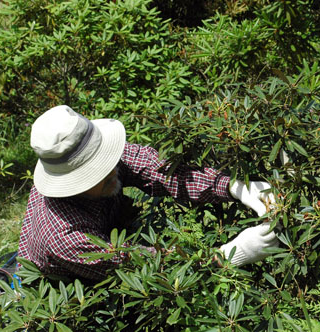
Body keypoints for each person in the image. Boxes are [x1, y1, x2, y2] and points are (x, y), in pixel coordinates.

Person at [17, 105, 279, 281]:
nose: (111, 170)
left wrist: (234, 187)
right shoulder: (65, 237)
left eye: (104, 161)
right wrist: (228, 256)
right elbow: (144, 264)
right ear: (71, 183)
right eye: (94, 172)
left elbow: (159, 170)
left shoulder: (96, 156)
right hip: (64, 289)